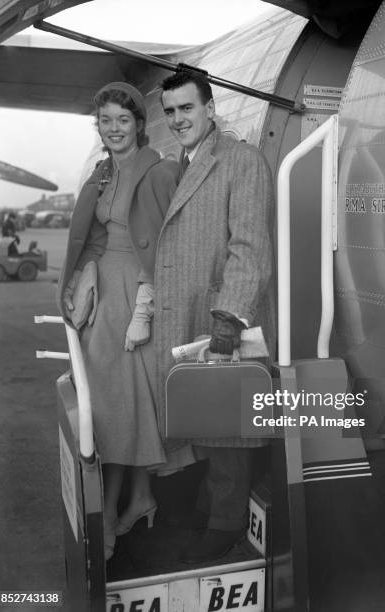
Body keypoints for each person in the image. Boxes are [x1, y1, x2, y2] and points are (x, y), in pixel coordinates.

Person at [56, 81, 193, 561]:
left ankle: (111, 512)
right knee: (120, 403)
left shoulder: (155, 172)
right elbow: (94, 235)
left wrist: (143, 310)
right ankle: (138, 498)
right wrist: (87, 272)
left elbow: (162, 250)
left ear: (139, 123)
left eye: (123, 120)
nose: (114, 129)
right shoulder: (105, 172)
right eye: (106, 121)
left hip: (131, 298)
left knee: (112, 407)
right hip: (105, 293)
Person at [158, 71, 276, 563]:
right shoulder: (181, 163)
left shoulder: (241, 159)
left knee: (228, 425)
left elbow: (248, 248)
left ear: (210, 108)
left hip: (218, 317)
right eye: (170, 111)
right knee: (203, 419)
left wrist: (228, 323)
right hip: (184, 313)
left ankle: (226, 522)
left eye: (187, 108)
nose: (178, 119)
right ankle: (207, 506)